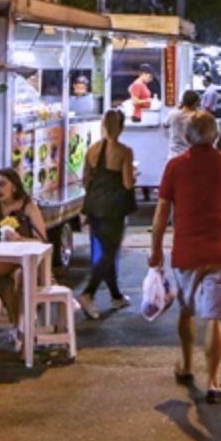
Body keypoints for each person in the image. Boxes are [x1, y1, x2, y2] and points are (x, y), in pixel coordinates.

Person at [149, 111, 221, 405]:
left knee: (186, 310)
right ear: (216, 135)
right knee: (215, 318)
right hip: (220, 250)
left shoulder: (175, 167)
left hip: (187, 252)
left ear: (185, 136)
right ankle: (213, 382)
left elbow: (161, 214)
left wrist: (156, 248)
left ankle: (185, 365)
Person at [0, 168, 48, 332]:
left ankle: (20, 323)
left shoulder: (27, 205)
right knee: (6, 271)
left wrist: (20, 239)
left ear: (14, 186)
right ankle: (23, 323)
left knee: (21, 273)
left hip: (22, 259)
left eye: (2, 184)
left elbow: (42, 239)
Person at [78, 109, 136, 319]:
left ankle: (116, 296)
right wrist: (134, 176)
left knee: (104, 250)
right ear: (121, 127)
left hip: (93, 205)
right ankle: (88, 293)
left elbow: (85, 179)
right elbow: (128, 183)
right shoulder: (124, 151)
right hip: (113, 207)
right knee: (110, 252)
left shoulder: (92, 150)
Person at [166, 90, 202, 158]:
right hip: (191, 155)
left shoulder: (172, 114)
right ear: (196, 103)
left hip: (174, 154)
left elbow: (165, 125)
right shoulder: (198, 117)